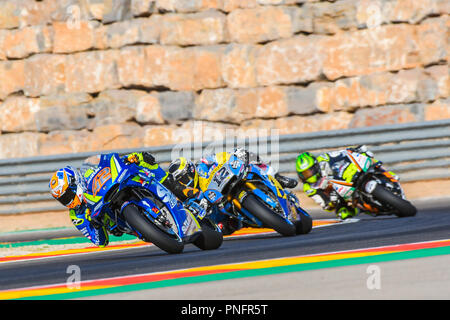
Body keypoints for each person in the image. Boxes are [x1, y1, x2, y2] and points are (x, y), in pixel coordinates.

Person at [49, 151, 201, 247]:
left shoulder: (88, 172)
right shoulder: (77, 215)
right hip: (118, 222)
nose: (68, 201)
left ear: (76, 183)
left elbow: (107, 161)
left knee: (143, 159)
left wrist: (129, 158)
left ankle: (180, 190)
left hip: (116, 187)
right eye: (64, 199)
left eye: (68, 195)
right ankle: (150, 227)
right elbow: (100, 242)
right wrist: (95, 225)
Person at [168, 148, 298, 234]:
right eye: (182, 181)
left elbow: (221, 157)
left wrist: (234, 155)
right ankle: (248, 221)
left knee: (245, 154)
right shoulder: (192, 194)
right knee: (221, 228)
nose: (186, 182)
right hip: (224, 205)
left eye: (185, 177)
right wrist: (201, 209)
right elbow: (196, 212)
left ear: (191, 169)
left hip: (234, 179)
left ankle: (278, 177)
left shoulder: (203, 164)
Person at [295, 145, 377, 220]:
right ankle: (362, 209)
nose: (308, 175)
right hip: (341, 197)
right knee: (343, 214)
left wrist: (353, 151)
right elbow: (325, 205)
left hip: (347, 176)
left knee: (369, 158)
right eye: (304, 174)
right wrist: (332, 202)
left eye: (309, 171)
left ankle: (385, 174)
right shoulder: (309, 188)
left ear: (315, 166)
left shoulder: (323, 159)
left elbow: (340, 154)